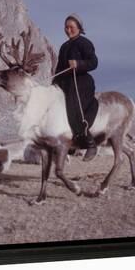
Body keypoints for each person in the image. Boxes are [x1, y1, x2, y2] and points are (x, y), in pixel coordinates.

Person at [52, 14, 99, 161]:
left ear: (79, 28)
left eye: (71, 27)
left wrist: (78, 64)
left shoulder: (85, 43)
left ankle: (90, 143)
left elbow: (93, 62)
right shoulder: (64, 47)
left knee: (73, 106)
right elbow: (59, 69)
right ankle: (70, 142)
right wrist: (54, 84)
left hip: (82, 83)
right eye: (66, 27)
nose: (68, 30)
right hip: (66, 83)